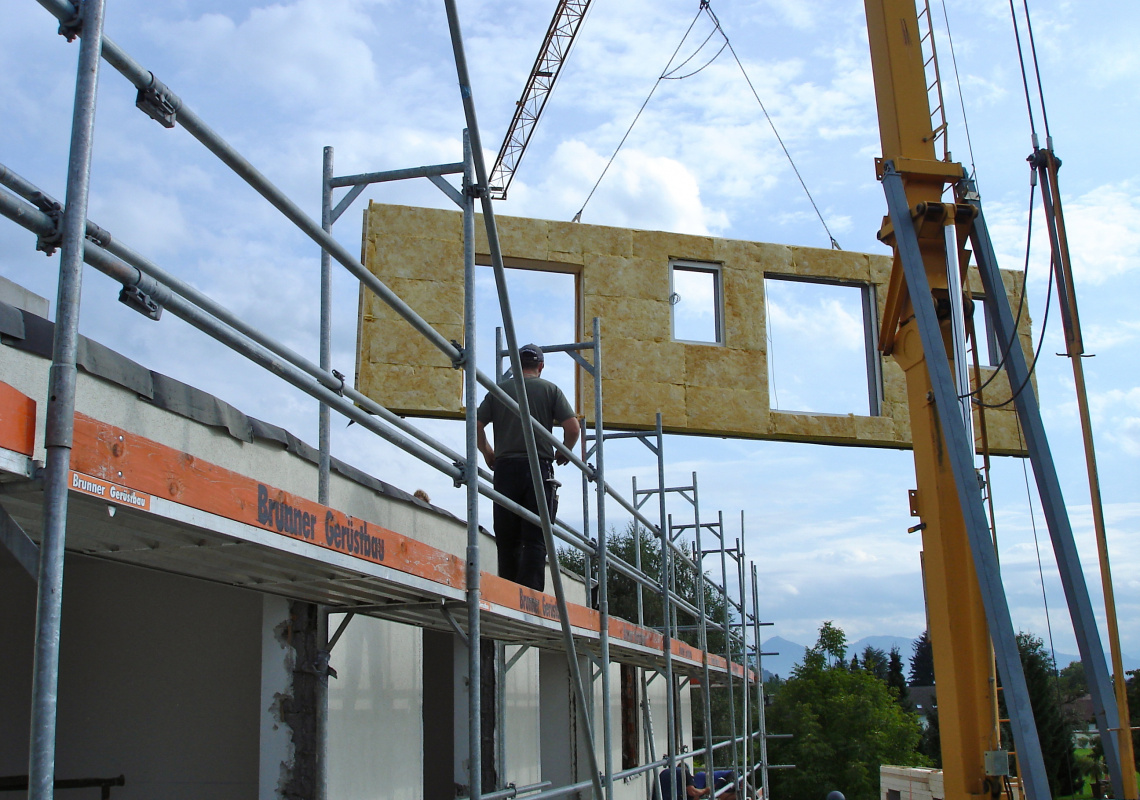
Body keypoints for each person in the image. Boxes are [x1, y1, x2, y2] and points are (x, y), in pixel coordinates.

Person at [476, 343, 579, 592]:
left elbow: (474, 425)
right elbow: (573, 429)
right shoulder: (550, 390)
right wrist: (564, 451)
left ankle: (509, 594)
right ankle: (530, 597)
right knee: (535, 537)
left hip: (505, 470)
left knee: (507, 537)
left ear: (516, 365)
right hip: (538, 469)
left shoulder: (498, 391)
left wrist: (488, 452)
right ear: (540, 366)